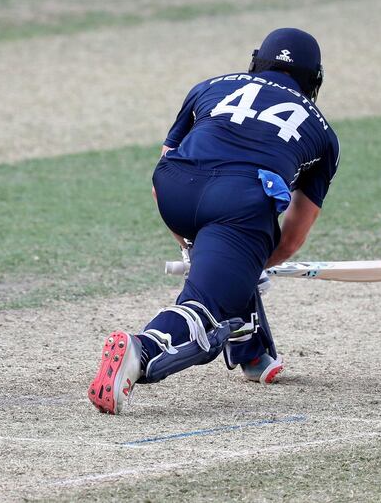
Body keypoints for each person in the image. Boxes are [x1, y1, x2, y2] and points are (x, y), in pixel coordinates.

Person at [88, 28, 339, 415]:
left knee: (230, 265)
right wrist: (256, 260)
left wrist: (192, 245)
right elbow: (289, 240)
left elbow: (164, 167)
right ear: (314, 80)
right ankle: (141, 350)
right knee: (207, 310)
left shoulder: (209, 87)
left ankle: (254, 355)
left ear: (256, 62)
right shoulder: (323, 134)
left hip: (175, 190)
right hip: (237, 203)